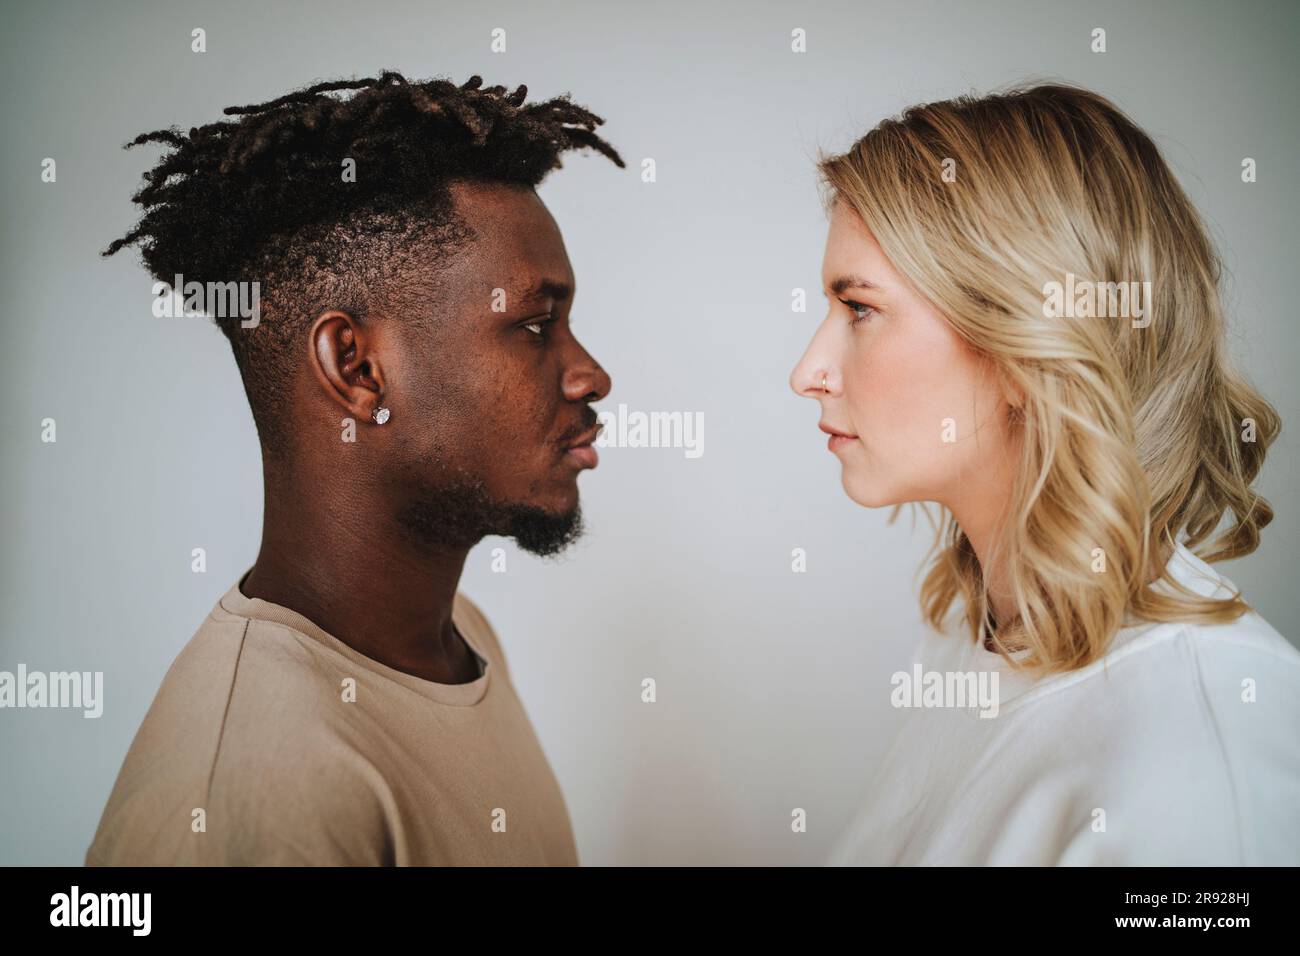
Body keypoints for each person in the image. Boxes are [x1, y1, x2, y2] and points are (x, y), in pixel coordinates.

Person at [86, 72, 622, 865]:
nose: (590, 376)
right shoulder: (258, 794)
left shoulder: (460, 640)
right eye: (536, 326)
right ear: (357, 370)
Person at [790, 83, 1300, 865]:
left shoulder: (1206, 740)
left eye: (859, 308)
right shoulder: (978, 637)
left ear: (1028, 347)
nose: (809, 372)